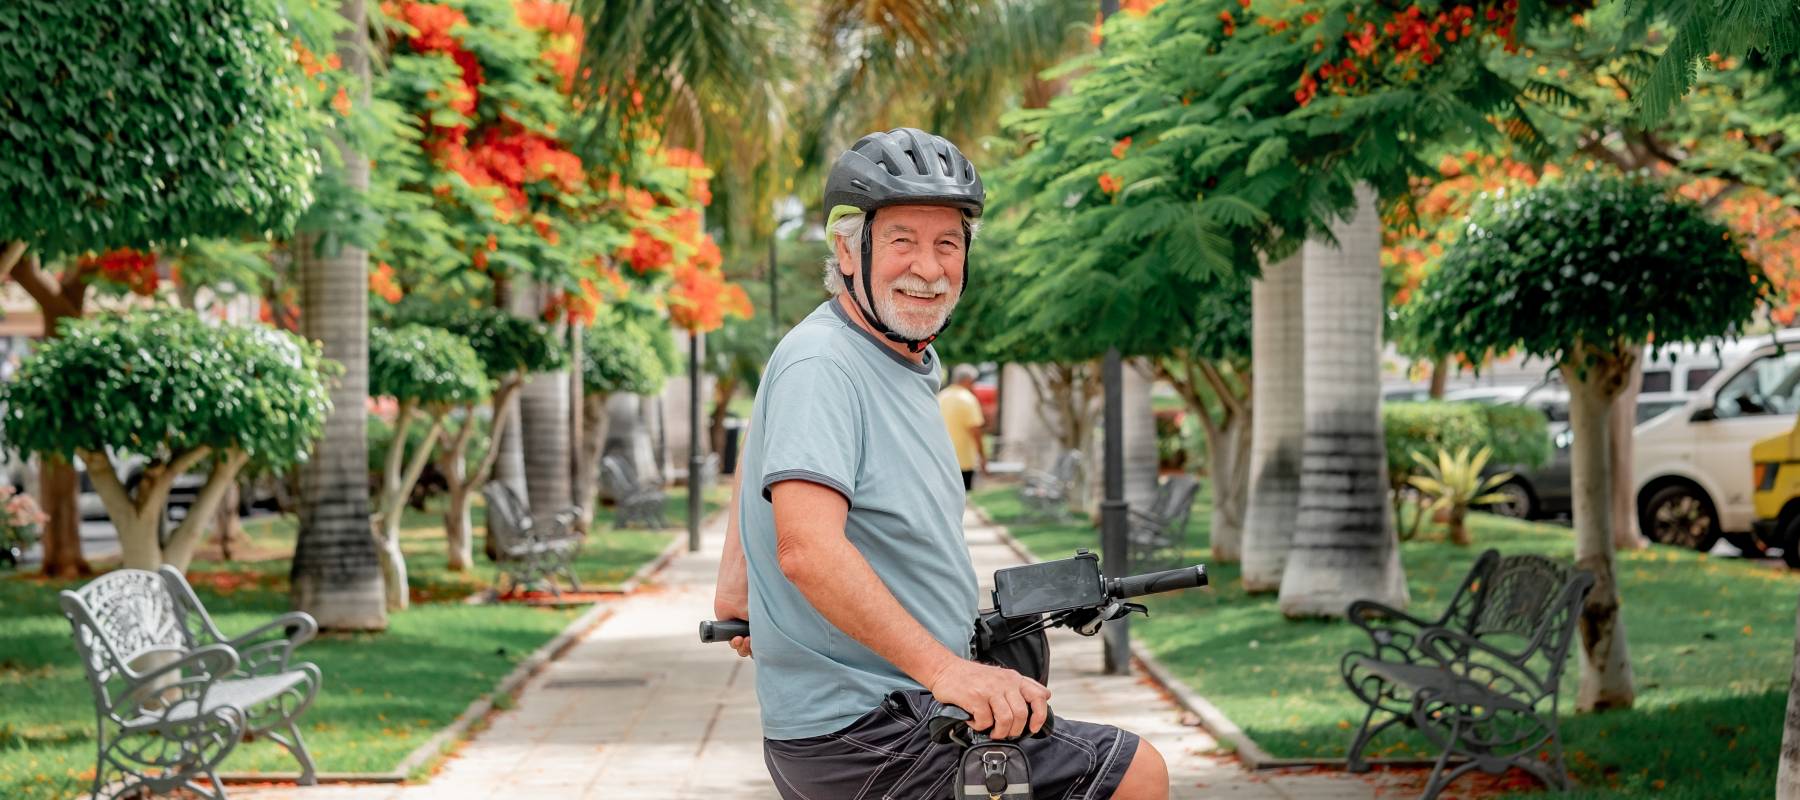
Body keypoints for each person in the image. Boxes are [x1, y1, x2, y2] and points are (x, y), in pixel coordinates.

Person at [713, 127, 1168, 799]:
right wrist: (947, 671)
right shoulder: (825, 362)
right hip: (866, 728)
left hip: (892, 709)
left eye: (948, 244)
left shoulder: (889, 358)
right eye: (902, 241)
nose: (928, 268)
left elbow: (764, 439)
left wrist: (736, 587)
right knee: (1133, 772)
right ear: (848, 250)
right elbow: (808, 549)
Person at [939, 363, 987, 491]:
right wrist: (982, 456)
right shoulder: (968, 400)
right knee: (963, 497)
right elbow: (976, 431)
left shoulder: (941, 397)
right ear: (967, 380)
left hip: (941, 459)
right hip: (963, 461)